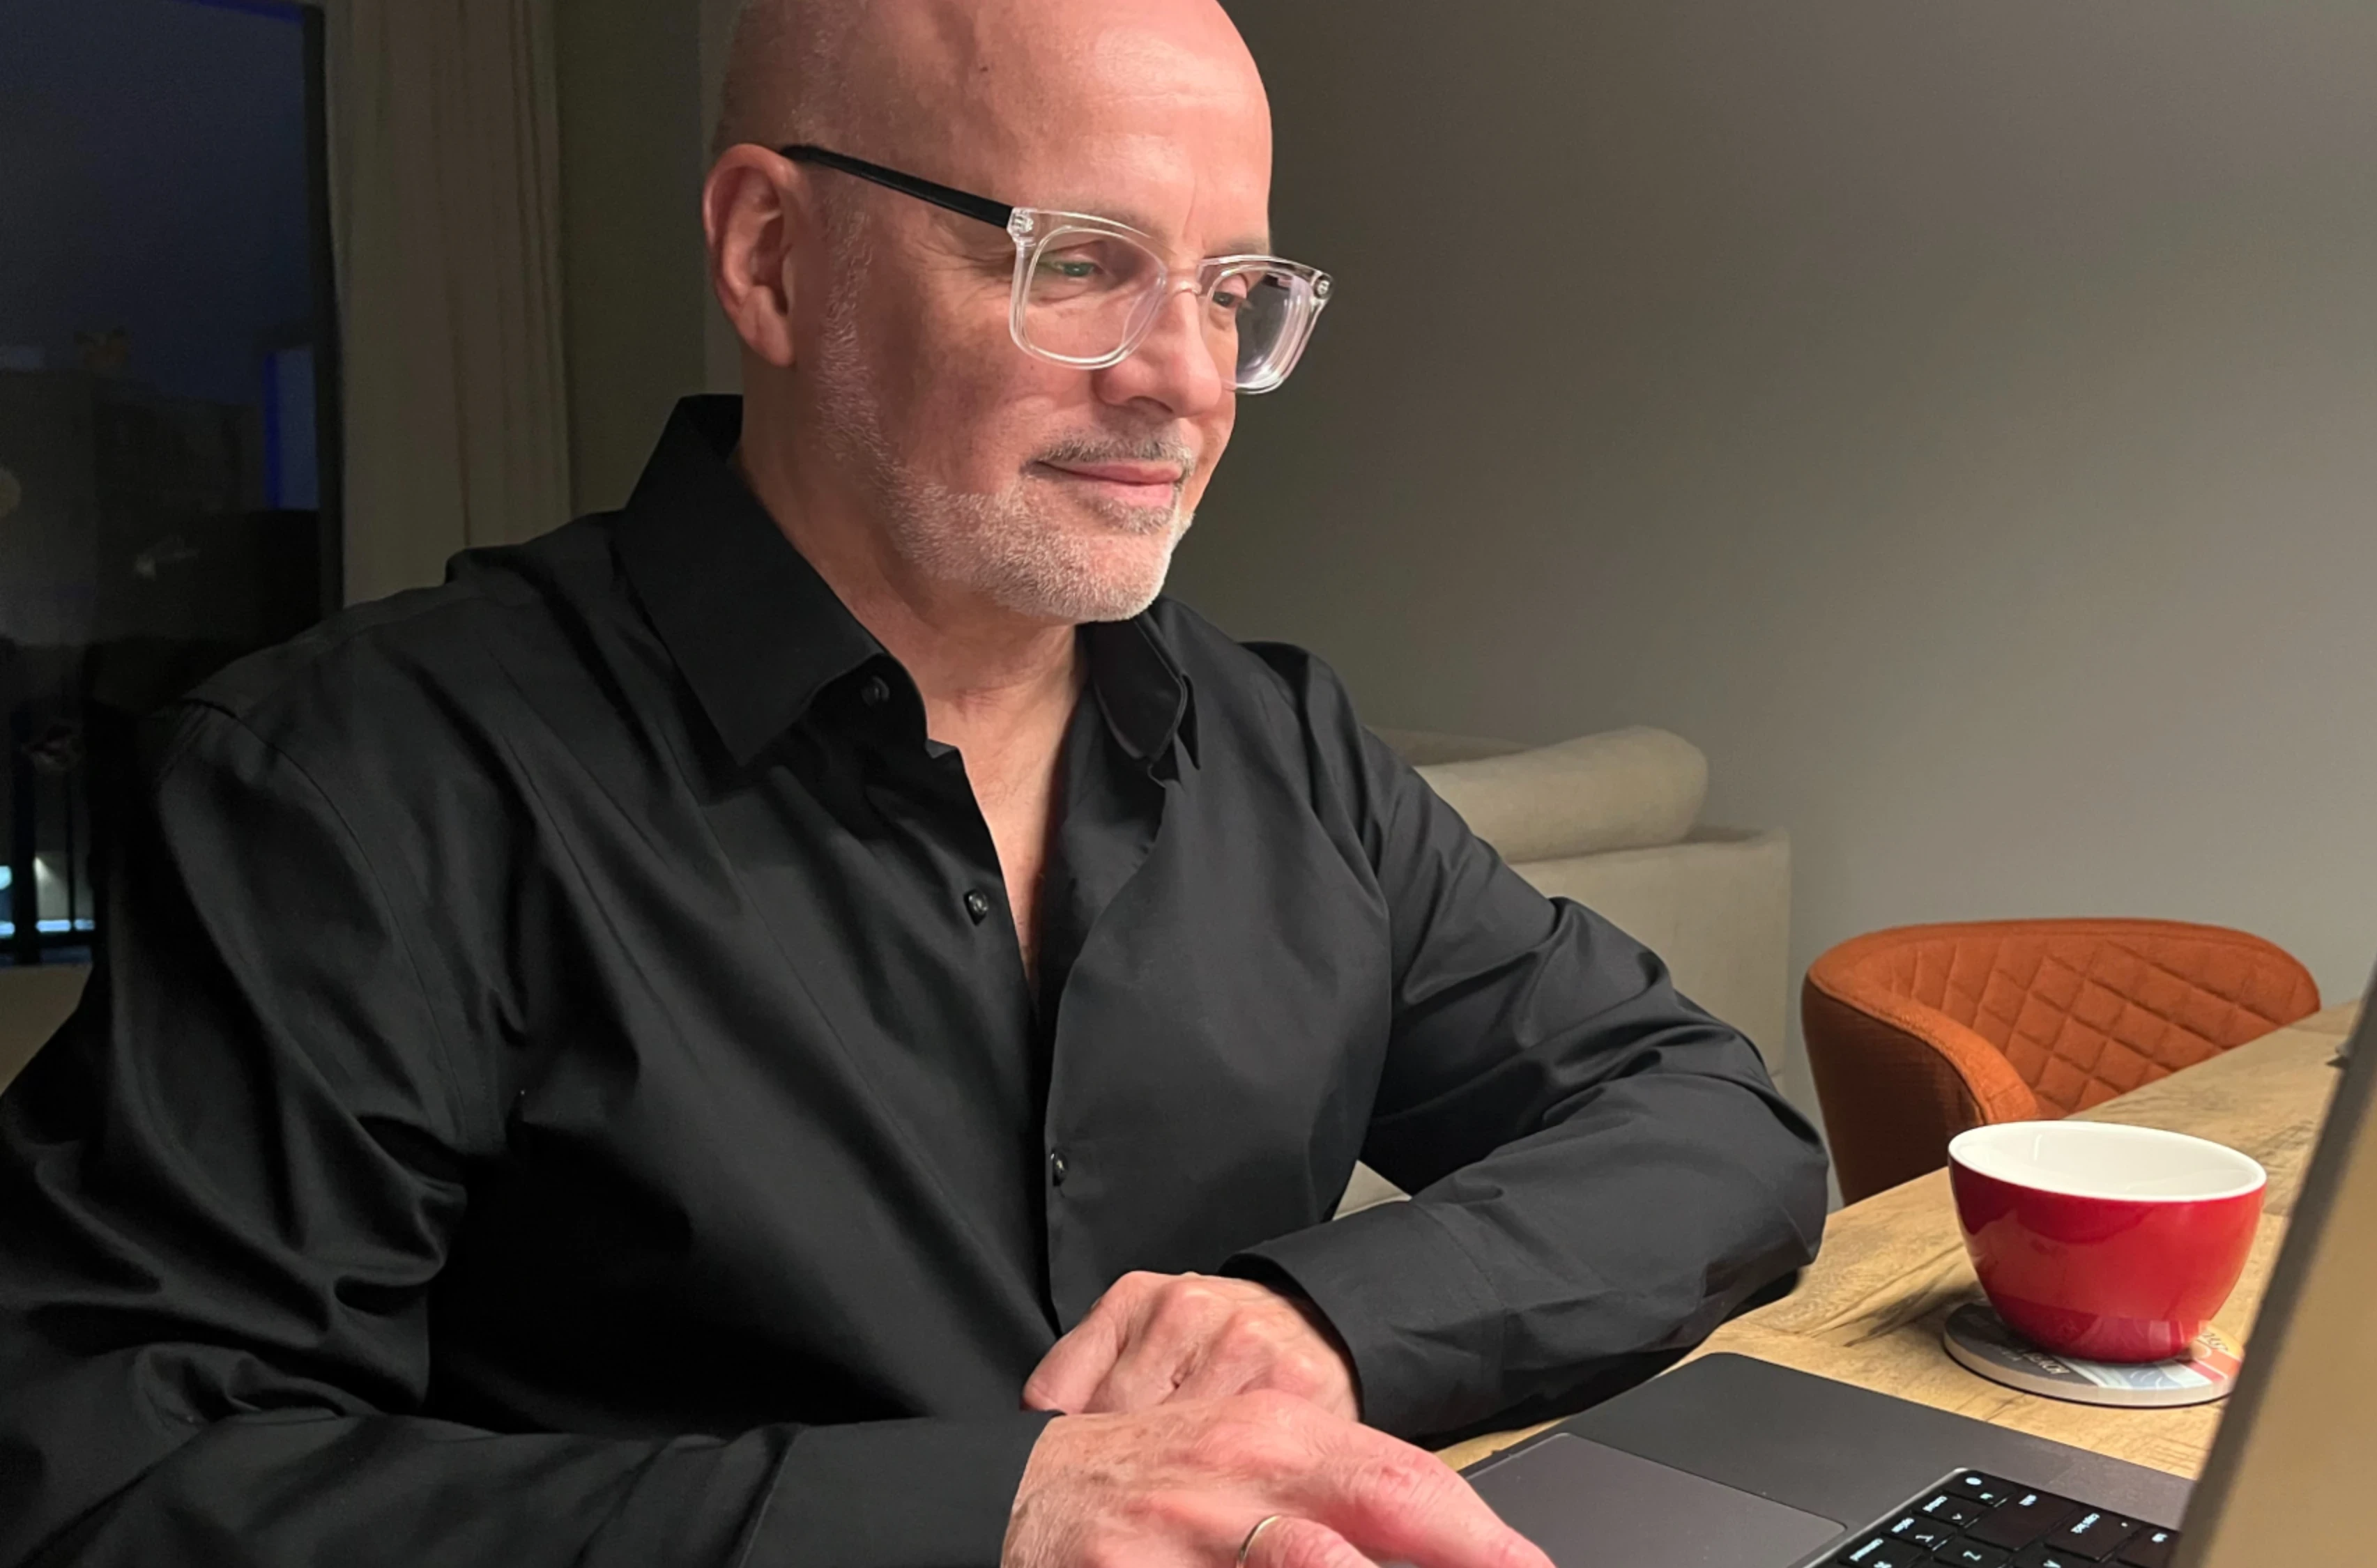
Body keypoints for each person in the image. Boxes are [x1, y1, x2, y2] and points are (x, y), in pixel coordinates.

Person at [0, 1, 1828, 1564]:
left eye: (1231, 290)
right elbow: (120, 1478)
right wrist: (985, 1516)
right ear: (772, 259)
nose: (1188, 383)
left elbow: (1711, 1126)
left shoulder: (1283, 752)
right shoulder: (355, 785)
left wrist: (1322, 1318)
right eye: (1081, 263)